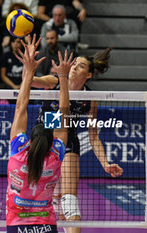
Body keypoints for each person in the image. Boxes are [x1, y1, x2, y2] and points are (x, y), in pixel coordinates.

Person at [29, 46, 123, 233]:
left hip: (67, 140)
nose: (74, 67)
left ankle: (62, 203)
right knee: (41, 194)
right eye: (74, 64)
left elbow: (93, 136)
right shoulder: (54, 81)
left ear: (87, 75)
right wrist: (29, 66)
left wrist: (105, 163)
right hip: (42, 137)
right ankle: (55, 199)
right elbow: (31, 81)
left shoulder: (89, 99)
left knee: (69, 199)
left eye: (80, 66)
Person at [6, 34, 72, 233]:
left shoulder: (19, 153)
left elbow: (20, 108)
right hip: (46, 226)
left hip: (17, 226)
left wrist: (29, 71)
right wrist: (63, 78)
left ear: (30, 139)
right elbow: (64, 115)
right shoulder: (54, 158)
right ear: (50, 142)